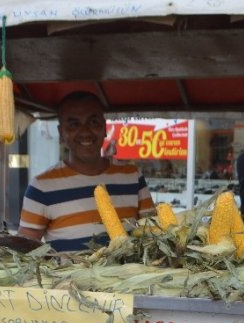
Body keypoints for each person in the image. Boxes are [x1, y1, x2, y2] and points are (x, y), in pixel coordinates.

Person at [17, 91, 154, 251]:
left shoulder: (132, 176)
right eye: (74, 124)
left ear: (104, 128)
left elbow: (152, 232)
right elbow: (24, 250)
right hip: (69, 277)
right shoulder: (41, 187)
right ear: (61, 134)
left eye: (93, 122)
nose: (85, 132)